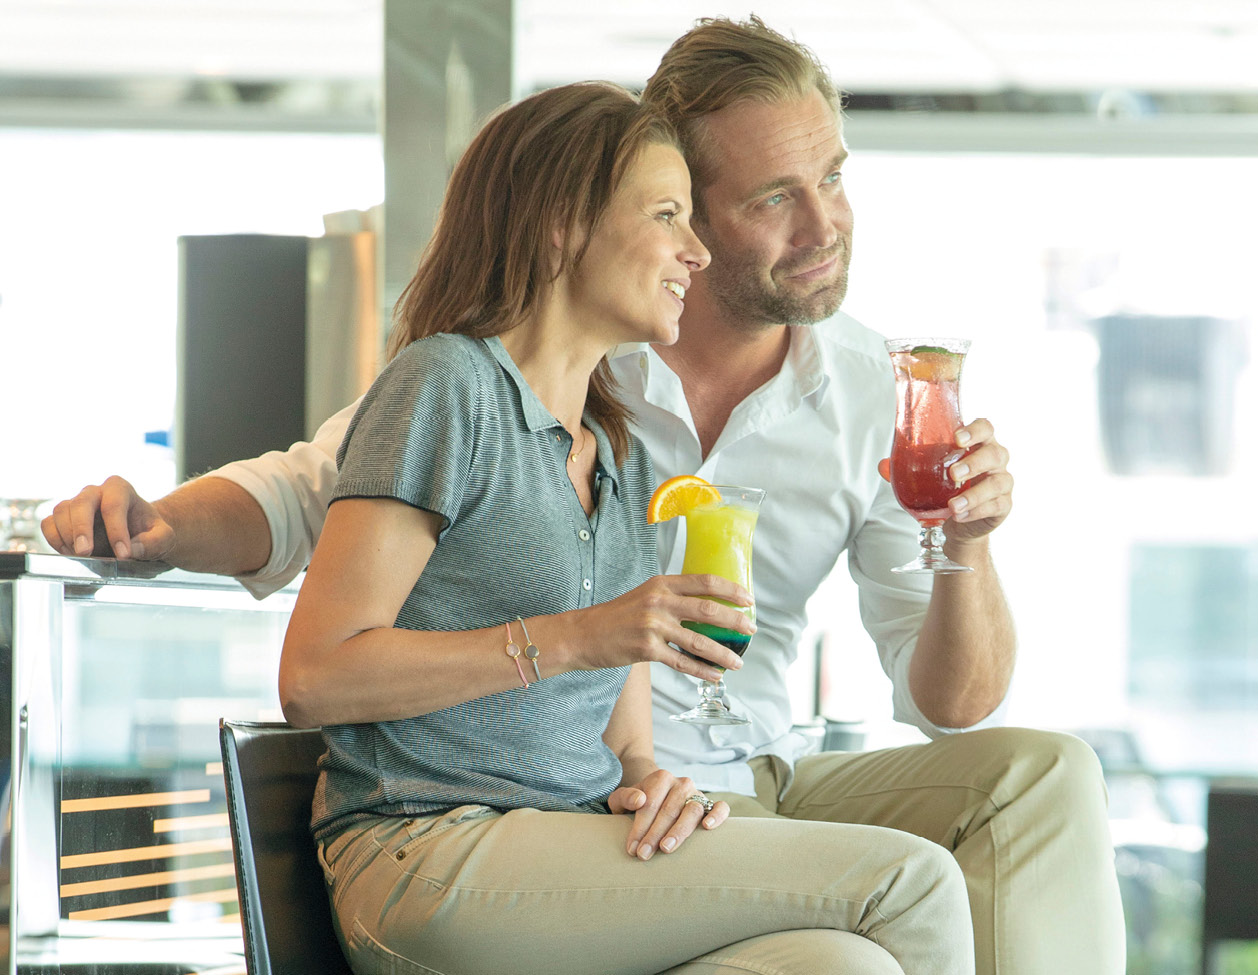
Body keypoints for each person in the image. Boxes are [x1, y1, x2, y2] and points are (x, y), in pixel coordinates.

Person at [44, 17, 1124, 974]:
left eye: (833, 178)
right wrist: (155, 527)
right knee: (902, 890)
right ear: (610, 215)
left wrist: (966, 546)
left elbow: (944, 704)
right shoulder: (471, 383)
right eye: (761, 200)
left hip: (692, 799)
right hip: (482, 833)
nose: (823, 223)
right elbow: (311, 503)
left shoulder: (669, 432)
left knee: (985, 830)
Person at [273, 80, 973, 975]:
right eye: (668, 216)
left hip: (568, 849)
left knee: (838, 963)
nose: (695, 250)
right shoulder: (447, 386)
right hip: (427, 854)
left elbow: (626, 741)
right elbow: (315, 677)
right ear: (563, 224)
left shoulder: (623, 454)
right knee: (908, 882)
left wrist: (654, 785)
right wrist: (574, 638)